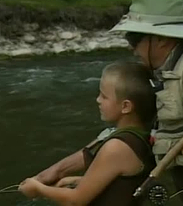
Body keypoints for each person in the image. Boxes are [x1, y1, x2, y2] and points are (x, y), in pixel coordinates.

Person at [21, 0, 183, 206]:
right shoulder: (164, 70)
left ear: (161, 38)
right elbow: (134, 132)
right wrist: (61, 172)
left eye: (135, 38)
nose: (131, 48)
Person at [18, 61, 157, 206]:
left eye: (104, 96)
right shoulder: (139, 135)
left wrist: (39, 189)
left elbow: (75, 200)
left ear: (126, 106)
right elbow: (119, 183)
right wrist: (76, 181)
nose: (98, 100)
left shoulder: (117, 147)